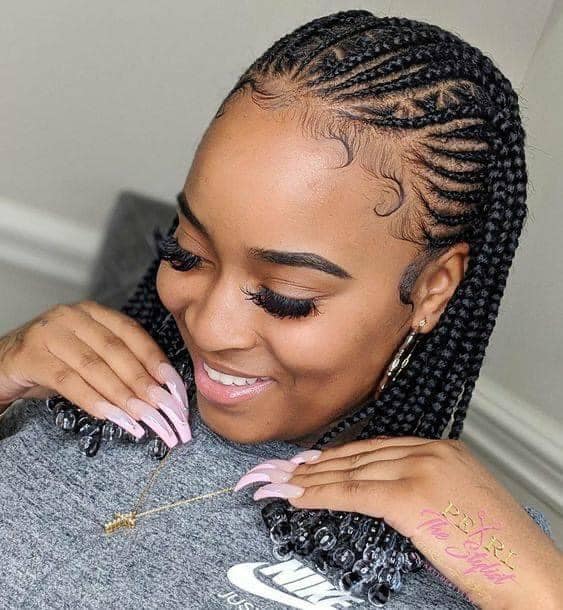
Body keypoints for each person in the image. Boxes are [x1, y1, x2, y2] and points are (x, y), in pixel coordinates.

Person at [0, 9, 561, 609]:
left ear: (433, 289)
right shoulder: (74, 395)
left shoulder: (476, 550)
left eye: (285, 298)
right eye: (186, 253)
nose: (210, 327)